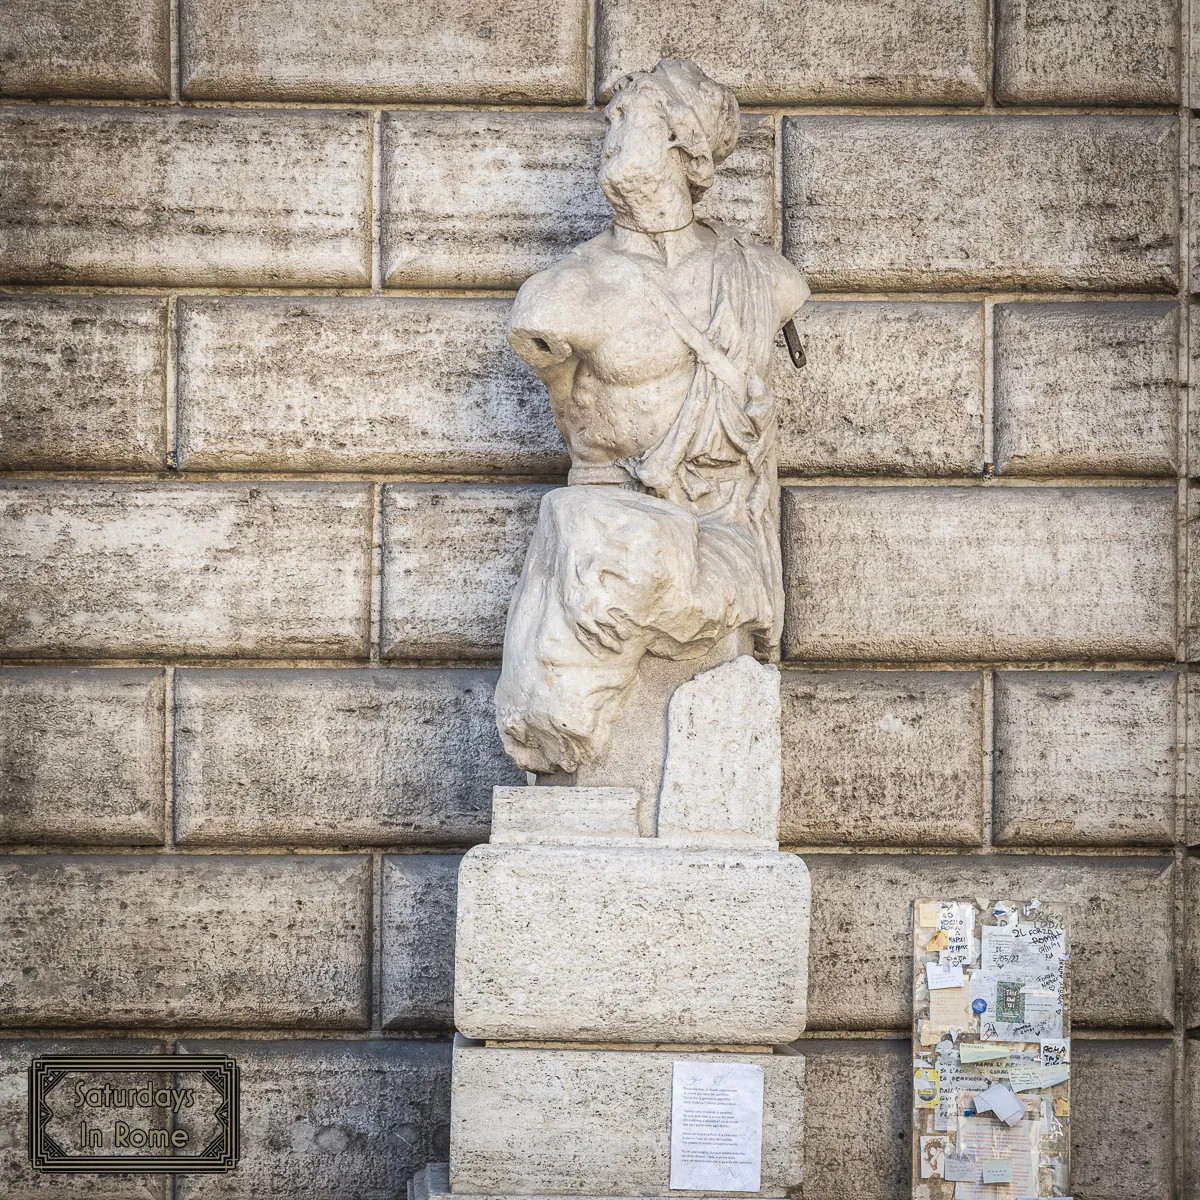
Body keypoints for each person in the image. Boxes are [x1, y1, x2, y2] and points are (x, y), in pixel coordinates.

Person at [496, 59, 809, 776]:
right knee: (612, 573)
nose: (609, 134)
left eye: (625, 117)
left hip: (721, 531)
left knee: (646, 571)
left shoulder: (763, 278)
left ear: (680, 137)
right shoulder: (561, 293)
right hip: (614, 530)